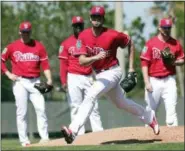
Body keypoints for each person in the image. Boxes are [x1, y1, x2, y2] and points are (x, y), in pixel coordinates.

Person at [61, 6, 160, 144]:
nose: (96, 19)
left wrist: (131, 68)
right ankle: (149, 116)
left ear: (103, 18)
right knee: (121, 103)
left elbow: (130, 42)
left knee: (91, 94)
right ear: (90, 18)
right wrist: (95, 58)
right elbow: (82, 61)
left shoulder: (112, 35)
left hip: (113, 71)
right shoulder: (83, 36)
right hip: (100, 75)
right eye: (94, 17)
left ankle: (73, 130)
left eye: (99, 17)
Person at [1, 21, 52, 147]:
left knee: (41, 109)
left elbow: (45, 66)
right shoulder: (12, 47)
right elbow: (1, 61)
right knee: (21, 112)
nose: (25, 34)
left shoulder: (38, 46)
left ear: (30, 32)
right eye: (23, 32)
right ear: (19, 32)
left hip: (36, 81)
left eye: (27, 32)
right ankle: (24, 141)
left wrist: (49, 80)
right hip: (20, 82)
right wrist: (8, 74)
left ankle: (44, 138)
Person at [58, 16, 103, 136]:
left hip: (89, 76)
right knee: (75, 106)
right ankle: (78, 135)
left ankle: (98, 133)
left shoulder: (90, 41)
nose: (78, 27)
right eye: (76, 25)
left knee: (93, 105)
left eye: (80, 25)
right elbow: (63, 65)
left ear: (83, 26)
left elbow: (97, 60)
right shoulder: (66, 43)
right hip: (73, 77)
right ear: (73, 27)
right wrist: (63, 81)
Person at [140, 18, 184, 127]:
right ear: (159, 28)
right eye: (165, 27)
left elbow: (182, 60)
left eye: (169, 28)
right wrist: (147, 82)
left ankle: (174, 139)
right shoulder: (151, 43)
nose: (167, 30)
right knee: (150, 110)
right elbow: (144, 63)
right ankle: (147, 135)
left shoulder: (175, 43)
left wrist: (174, 62)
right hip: (154, 80)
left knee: (171, 111)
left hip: (169, 79)